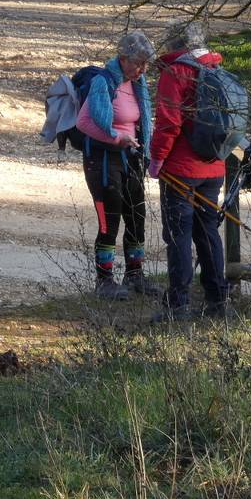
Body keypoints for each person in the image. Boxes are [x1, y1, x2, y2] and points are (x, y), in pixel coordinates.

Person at [148, 20, 229, 319]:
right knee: (208, 232)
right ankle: (217, 299)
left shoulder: (175, 72)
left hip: (180, 169)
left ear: (176, 44)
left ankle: (178, 304)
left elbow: (169, 123)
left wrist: (156, 161)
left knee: (179, 236)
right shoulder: (216, 68)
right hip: (213, 165)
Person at [75, 30, 158, 300]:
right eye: (138, 63)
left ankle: (135, 275)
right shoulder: (103, 82)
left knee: (136, 215)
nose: (142, 69)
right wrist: (115, 137)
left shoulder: (138, 84)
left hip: (130, 157)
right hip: (102, 159)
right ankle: (104, 280)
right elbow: (84, 123)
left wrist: (144, 149)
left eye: (146, 64)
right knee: (109, 217)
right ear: (123, 58)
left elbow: (141, 121)